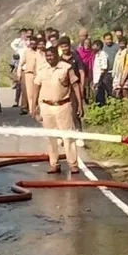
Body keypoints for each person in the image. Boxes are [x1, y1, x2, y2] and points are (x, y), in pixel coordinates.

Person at [34, 46, 84, 174]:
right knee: (51, 138)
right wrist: (33, 106)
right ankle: (54, 164)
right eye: (47, 56)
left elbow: (75, 85)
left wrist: (80, 104)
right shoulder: (42, 69)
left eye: (52, 55)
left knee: (68, 136)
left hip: (64, 106)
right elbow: (36, 87)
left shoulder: (66, 67)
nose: (50, 58)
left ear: (57, 54)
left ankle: (73, 164)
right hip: (47, 106)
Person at [20, 36, 44, 118]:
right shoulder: (26, 52)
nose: (33, 45)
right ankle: (31, 110)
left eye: (34, 43)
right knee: (30, 94)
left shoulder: (39, 52)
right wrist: (19, 73)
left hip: (38, 74)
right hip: (28, 74)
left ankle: (39, 110)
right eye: (31, 43)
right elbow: (21, 63)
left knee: (38, 93)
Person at [94, 36, 114, 105]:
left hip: (103, 78)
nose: (93, 47)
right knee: (99, 96)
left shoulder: (103, 55)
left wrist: (100, 79)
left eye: (94, 46)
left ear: (98, 46)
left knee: (106, 94)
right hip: (97, 79)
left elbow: (104, 68)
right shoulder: (96, 55)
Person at [113, 36, 128, 100]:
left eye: (123, 43)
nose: (121, 45)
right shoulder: (118, 53)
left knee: (125, 93)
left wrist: (123, 79)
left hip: (124, 76)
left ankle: (127, 108)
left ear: (126, 44)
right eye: (120, 43)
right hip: (117, 75)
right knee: (117, 94)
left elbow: (127, 67)